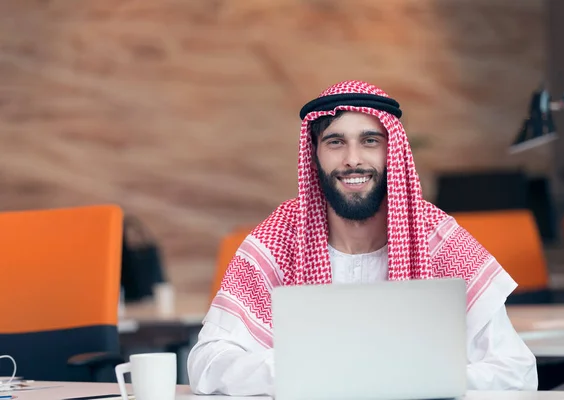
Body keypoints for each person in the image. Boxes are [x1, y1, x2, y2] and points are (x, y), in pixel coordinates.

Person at [188, 80, 538, 395]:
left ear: (392, 152)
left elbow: (517, 372)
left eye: (370, 141)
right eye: (335, 142)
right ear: (315, 154)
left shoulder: (437, 240)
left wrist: (418, 379)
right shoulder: (279, 238)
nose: (352, 160)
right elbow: (206, 364)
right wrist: (301, 372)